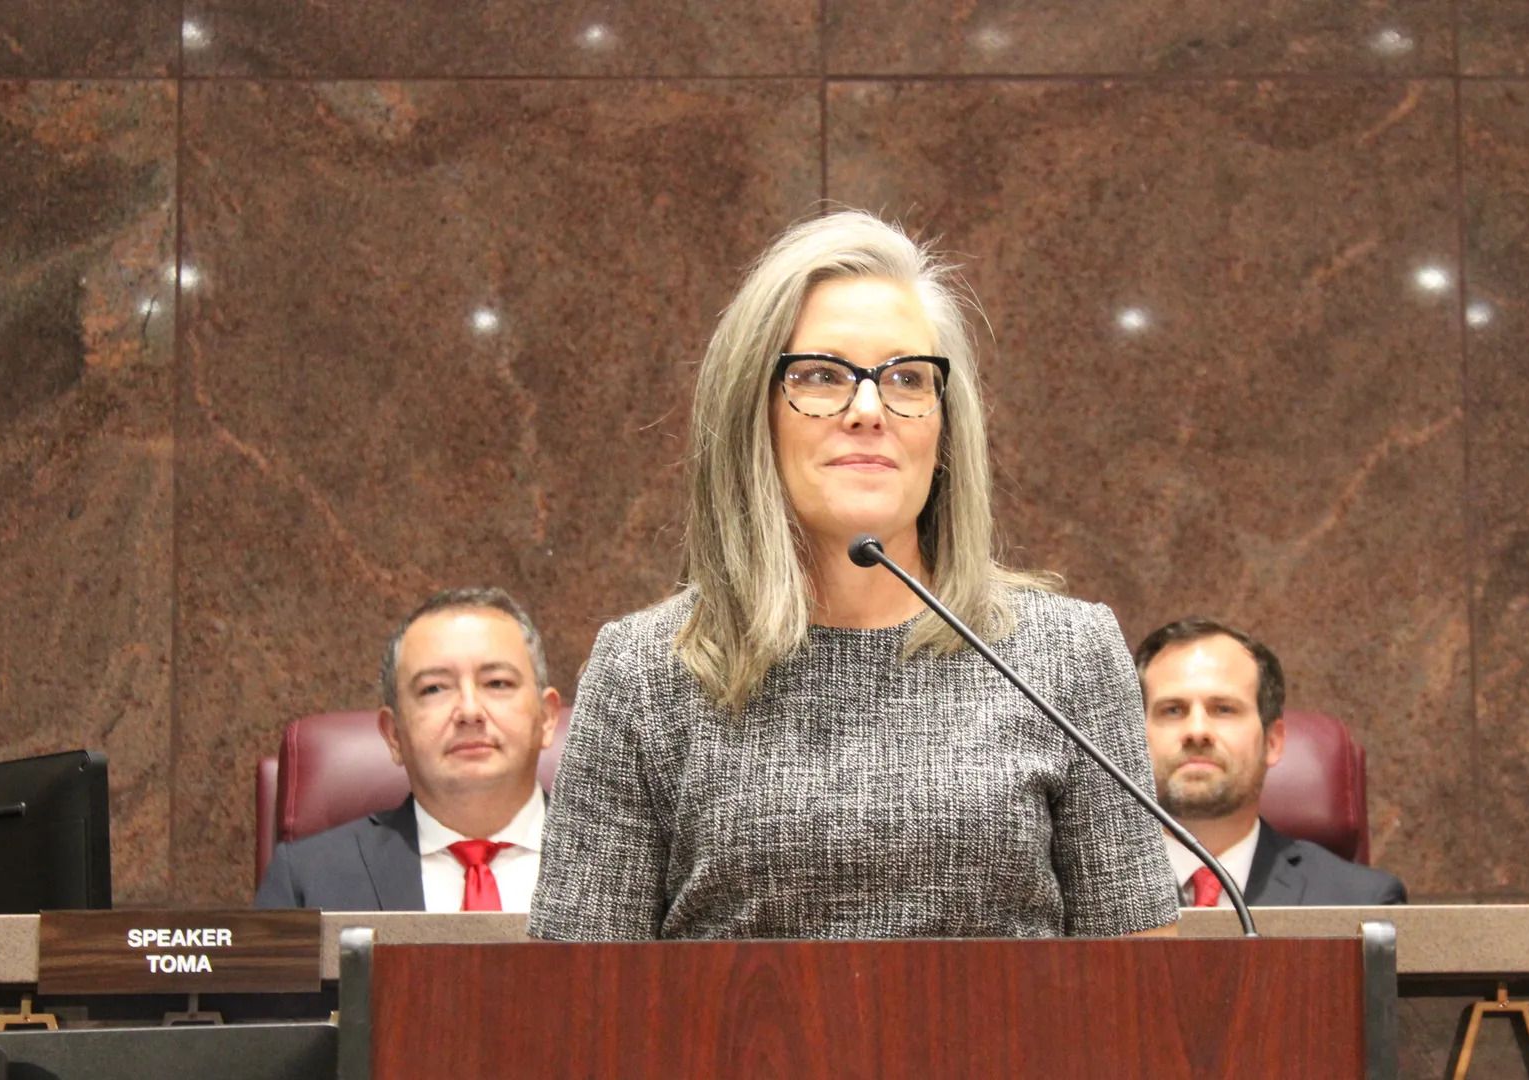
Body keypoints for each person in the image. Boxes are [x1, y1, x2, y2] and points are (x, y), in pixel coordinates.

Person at [529, 210, 1177, 940]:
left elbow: (1140, 1002)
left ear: (943, 429)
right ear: (754, 414)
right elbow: (579, 1010)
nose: (869, 409)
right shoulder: (645, 672)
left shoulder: (1069, 656)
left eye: (906, 377)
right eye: (820, 375)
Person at [256, 587, 562, 912]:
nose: (470, 711)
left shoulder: (619, 863)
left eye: (497, 683)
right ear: (393, 735)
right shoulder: (308, 879)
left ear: (546, 718)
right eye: (434, 689)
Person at [1136, 617, 1405, 907]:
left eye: (1224, 709)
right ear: (1134, 739)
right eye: (1173, 710)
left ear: (1273, 742)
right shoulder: (1082, 902)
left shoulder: (1360, 902)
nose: (1197, 731)